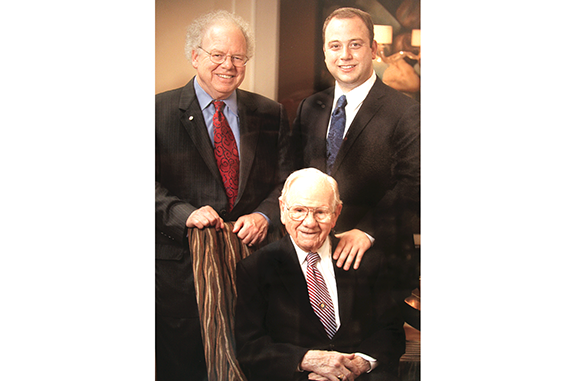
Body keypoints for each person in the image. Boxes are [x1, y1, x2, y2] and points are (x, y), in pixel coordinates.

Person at [156, 10, 291, 380]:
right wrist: (184, 213)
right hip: (181, 277)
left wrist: (265, 215)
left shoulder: (271, 113)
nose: (228, 66)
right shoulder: (155, 112)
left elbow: (286, 181)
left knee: (253, 365)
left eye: (237, 57)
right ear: (195, 55)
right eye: (218, 55)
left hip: (253, 267)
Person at [291, 6, 420, 290]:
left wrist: (367, 231)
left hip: (376, 266)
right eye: (335, 46)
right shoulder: (310, 107)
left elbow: (414, 185)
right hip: (312, 258)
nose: (345, 55)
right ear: (325, 52)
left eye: (355, 45)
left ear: (373, 49)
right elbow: (292, 174)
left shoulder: (407, 112)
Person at [235, 168, 405, 381]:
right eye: (299, 210)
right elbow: (250, 348)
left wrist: (356, 365)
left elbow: (391, 332)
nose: (309, 223)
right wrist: (307, 359)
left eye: (320, 212)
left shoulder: (366, 261)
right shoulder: (256, 268)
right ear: (282, 210)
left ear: (336, 214)